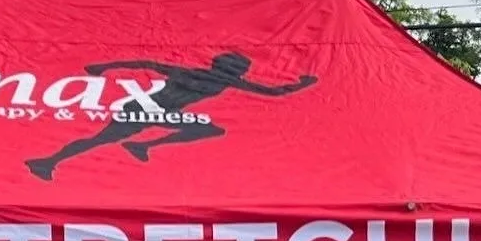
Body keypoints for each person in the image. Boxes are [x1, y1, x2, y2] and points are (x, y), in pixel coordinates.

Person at [25, 54, 316, 180]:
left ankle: (143, 146)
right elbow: (145, 63)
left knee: (208, 129)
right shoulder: (193, 74)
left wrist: (302, 85)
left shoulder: (224, 81)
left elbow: (271, 91)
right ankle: (46, 161)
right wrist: (104, 67)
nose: (237, 74)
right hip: (145, 109)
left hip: (164, 113)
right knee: (100, 140)